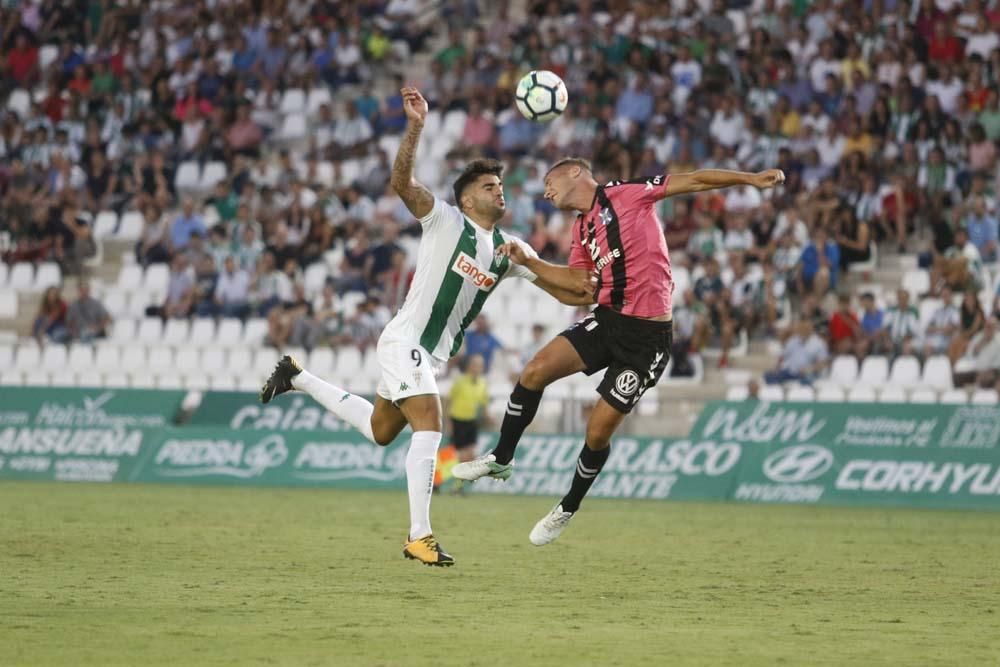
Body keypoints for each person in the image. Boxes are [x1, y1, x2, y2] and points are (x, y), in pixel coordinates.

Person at [258, 87, 594, 566]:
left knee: (379, 430)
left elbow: (568, 291)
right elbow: (402, 183)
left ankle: (296, 376)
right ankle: (420, 535)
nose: (499, 190)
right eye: (488, 187)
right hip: (405, 340)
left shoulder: (510, 249)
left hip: (430, 353)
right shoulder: (444, 220)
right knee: (431, 423)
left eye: (500, 185)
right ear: (467, 200)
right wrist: (415, 128)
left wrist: (593, 284)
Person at [453, 156, 784, 546]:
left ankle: (567, 507)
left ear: (576, 172)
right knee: (535, 370)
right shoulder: (581, 229)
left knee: (597, 432)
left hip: (647, 340)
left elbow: (693, 180)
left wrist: (750, 179)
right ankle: (502, 458)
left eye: (550, 181)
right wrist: (531, 264)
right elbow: (577, 288)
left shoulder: (627, 194)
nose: (546, 191)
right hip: (608, 320)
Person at [447, 354, 490, 474]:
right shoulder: (460, 381)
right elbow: (449, 401)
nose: (477, 368)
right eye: (475, 365)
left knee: (470, 454)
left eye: (480, 366)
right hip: (458, 420)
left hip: (472, 421)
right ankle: (437, 481)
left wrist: (488, 417)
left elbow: (484, 403)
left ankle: (458, 486)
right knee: (455, 454)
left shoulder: (483, 383)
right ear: (469, 366)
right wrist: (449, 423)